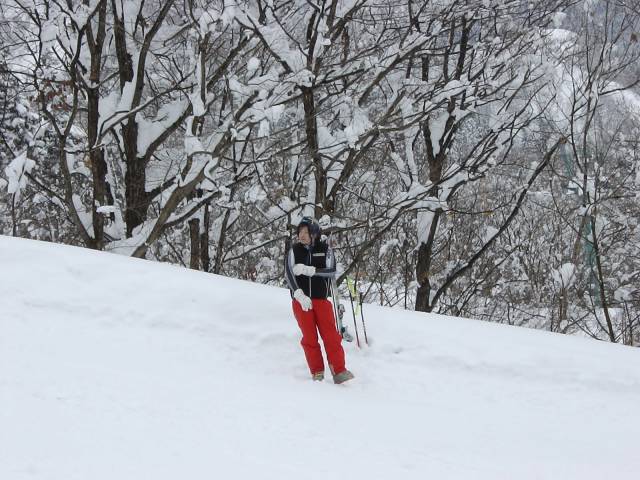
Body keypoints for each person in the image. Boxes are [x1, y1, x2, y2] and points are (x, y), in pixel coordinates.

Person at [285, 217, 354, 384]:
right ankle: (317, 372)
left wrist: (311, 270)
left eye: (306, 232)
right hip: (301, 302)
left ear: (314, 233)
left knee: (331, 336)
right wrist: (298, 294)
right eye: (300, 232)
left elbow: (332, 271)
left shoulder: (325, 250)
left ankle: (339, 371)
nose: (302, 235)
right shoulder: (294, 251)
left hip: (321, 300)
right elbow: (288, 274)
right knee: (309, 338)